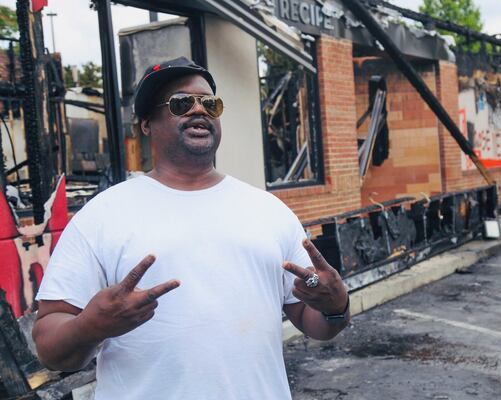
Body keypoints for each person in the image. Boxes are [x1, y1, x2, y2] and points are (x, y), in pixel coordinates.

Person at [32, 57, 350, 400]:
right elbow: (49, 346)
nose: (199, 110)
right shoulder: (102, 216)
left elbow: (311, 321)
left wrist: (337, 307)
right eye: (181, 103)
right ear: (146, 124)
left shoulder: (269, 211)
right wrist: (90, 327)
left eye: (210, 103)